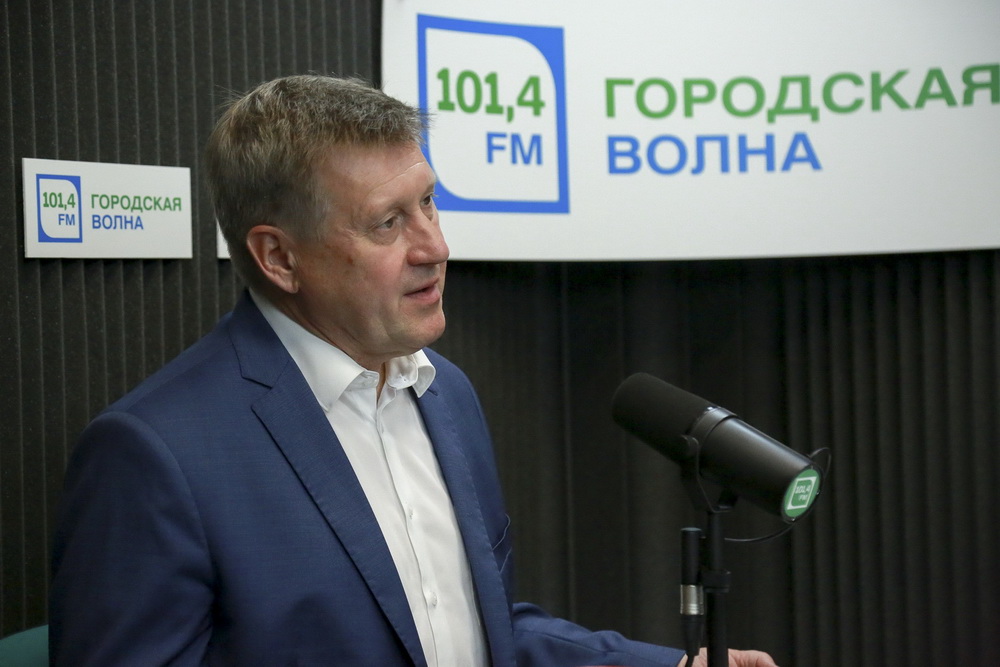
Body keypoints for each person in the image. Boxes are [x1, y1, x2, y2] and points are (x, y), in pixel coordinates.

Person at [49, 74, 777, 667]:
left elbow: (478, 630)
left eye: (428, 201)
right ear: (279, 257)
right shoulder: (155, 455)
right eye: (388, 222)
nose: (435, 246)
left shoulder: (444, 391)